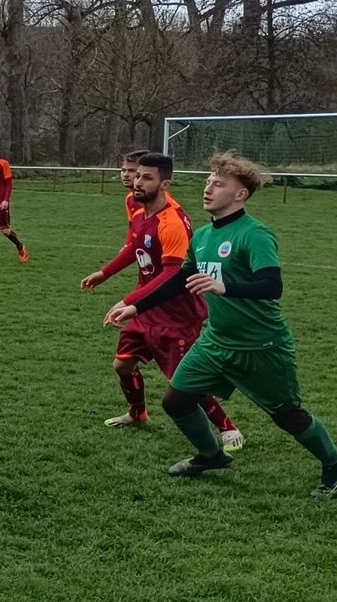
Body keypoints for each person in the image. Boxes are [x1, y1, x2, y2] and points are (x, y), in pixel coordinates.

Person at [105, 152, 337, 498]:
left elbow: (272, 286)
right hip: (216, 341)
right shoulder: (204, 235)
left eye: (219, 184)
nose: (208, 188)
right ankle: (211, 455)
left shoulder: (255, 234)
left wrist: (226, 287)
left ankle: (335, 464)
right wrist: (135, 306)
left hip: (260, 345)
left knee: (287, 416)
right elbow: (180, 280)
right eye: (208, 181)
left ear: (240, 195)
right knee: (176, 400)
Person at [81, 152, 243, 451]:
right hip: (146, 309)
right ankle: (137, 412)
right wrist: (105, 273)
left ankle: (227, 427)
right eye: (136, 175)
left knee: (183, 380)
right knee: (123, 365)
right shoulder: (140, 211)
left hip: (175, 313)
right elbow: (136, 246)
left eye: (146, 177)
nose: (136, 181)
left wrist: (129, 300)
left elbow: (173, 274)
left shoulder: (172, 223)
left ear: (165, 184)